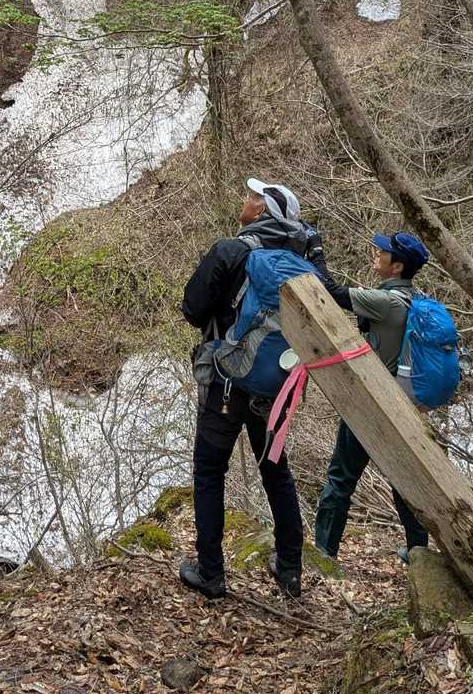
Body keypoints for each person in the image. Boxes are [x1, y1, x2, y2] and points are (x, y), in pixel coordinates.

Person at [179, 177, 329, 602]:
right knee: (276, 473)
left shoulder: (231, 251)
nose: (246, 201)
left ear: (262, 211)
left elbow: (192, 310)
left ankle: (211, 573)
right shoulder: (304, 266)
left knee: (209, 473)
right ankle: (290, 569)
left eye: (252, 197)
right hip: (276, 390)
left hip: (225, 385)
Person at [313, 229, 432, 564]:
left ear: (398, 266)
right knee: (403, 480)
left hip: (370, 404)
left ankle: (323, 553)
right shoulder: (415, 299)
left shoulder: (386, 302)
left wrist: (315, 251)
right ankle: (419, 553)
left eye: (382, 252)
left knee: (341, 477)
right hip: (403, 406)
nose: (375, 253)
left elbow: (330, 290)